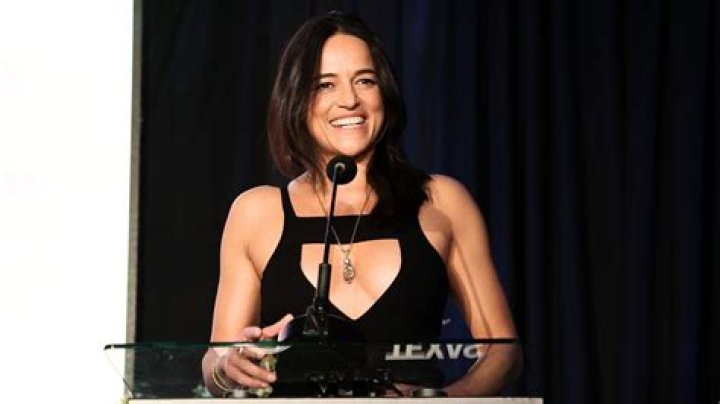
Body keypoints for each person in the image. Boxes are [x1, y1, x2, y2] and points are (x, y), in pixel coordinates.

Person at [201, 11, 521, 397]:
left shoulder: (441, 202)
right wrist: (228, 366)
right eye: (325, 85)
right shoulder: (256, 213)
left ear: (384, 93)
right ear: (296, 98)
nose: (349, 100)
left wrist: (442, 402)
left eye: (364, 81)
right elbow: (217, 359)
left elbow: (503, 353)